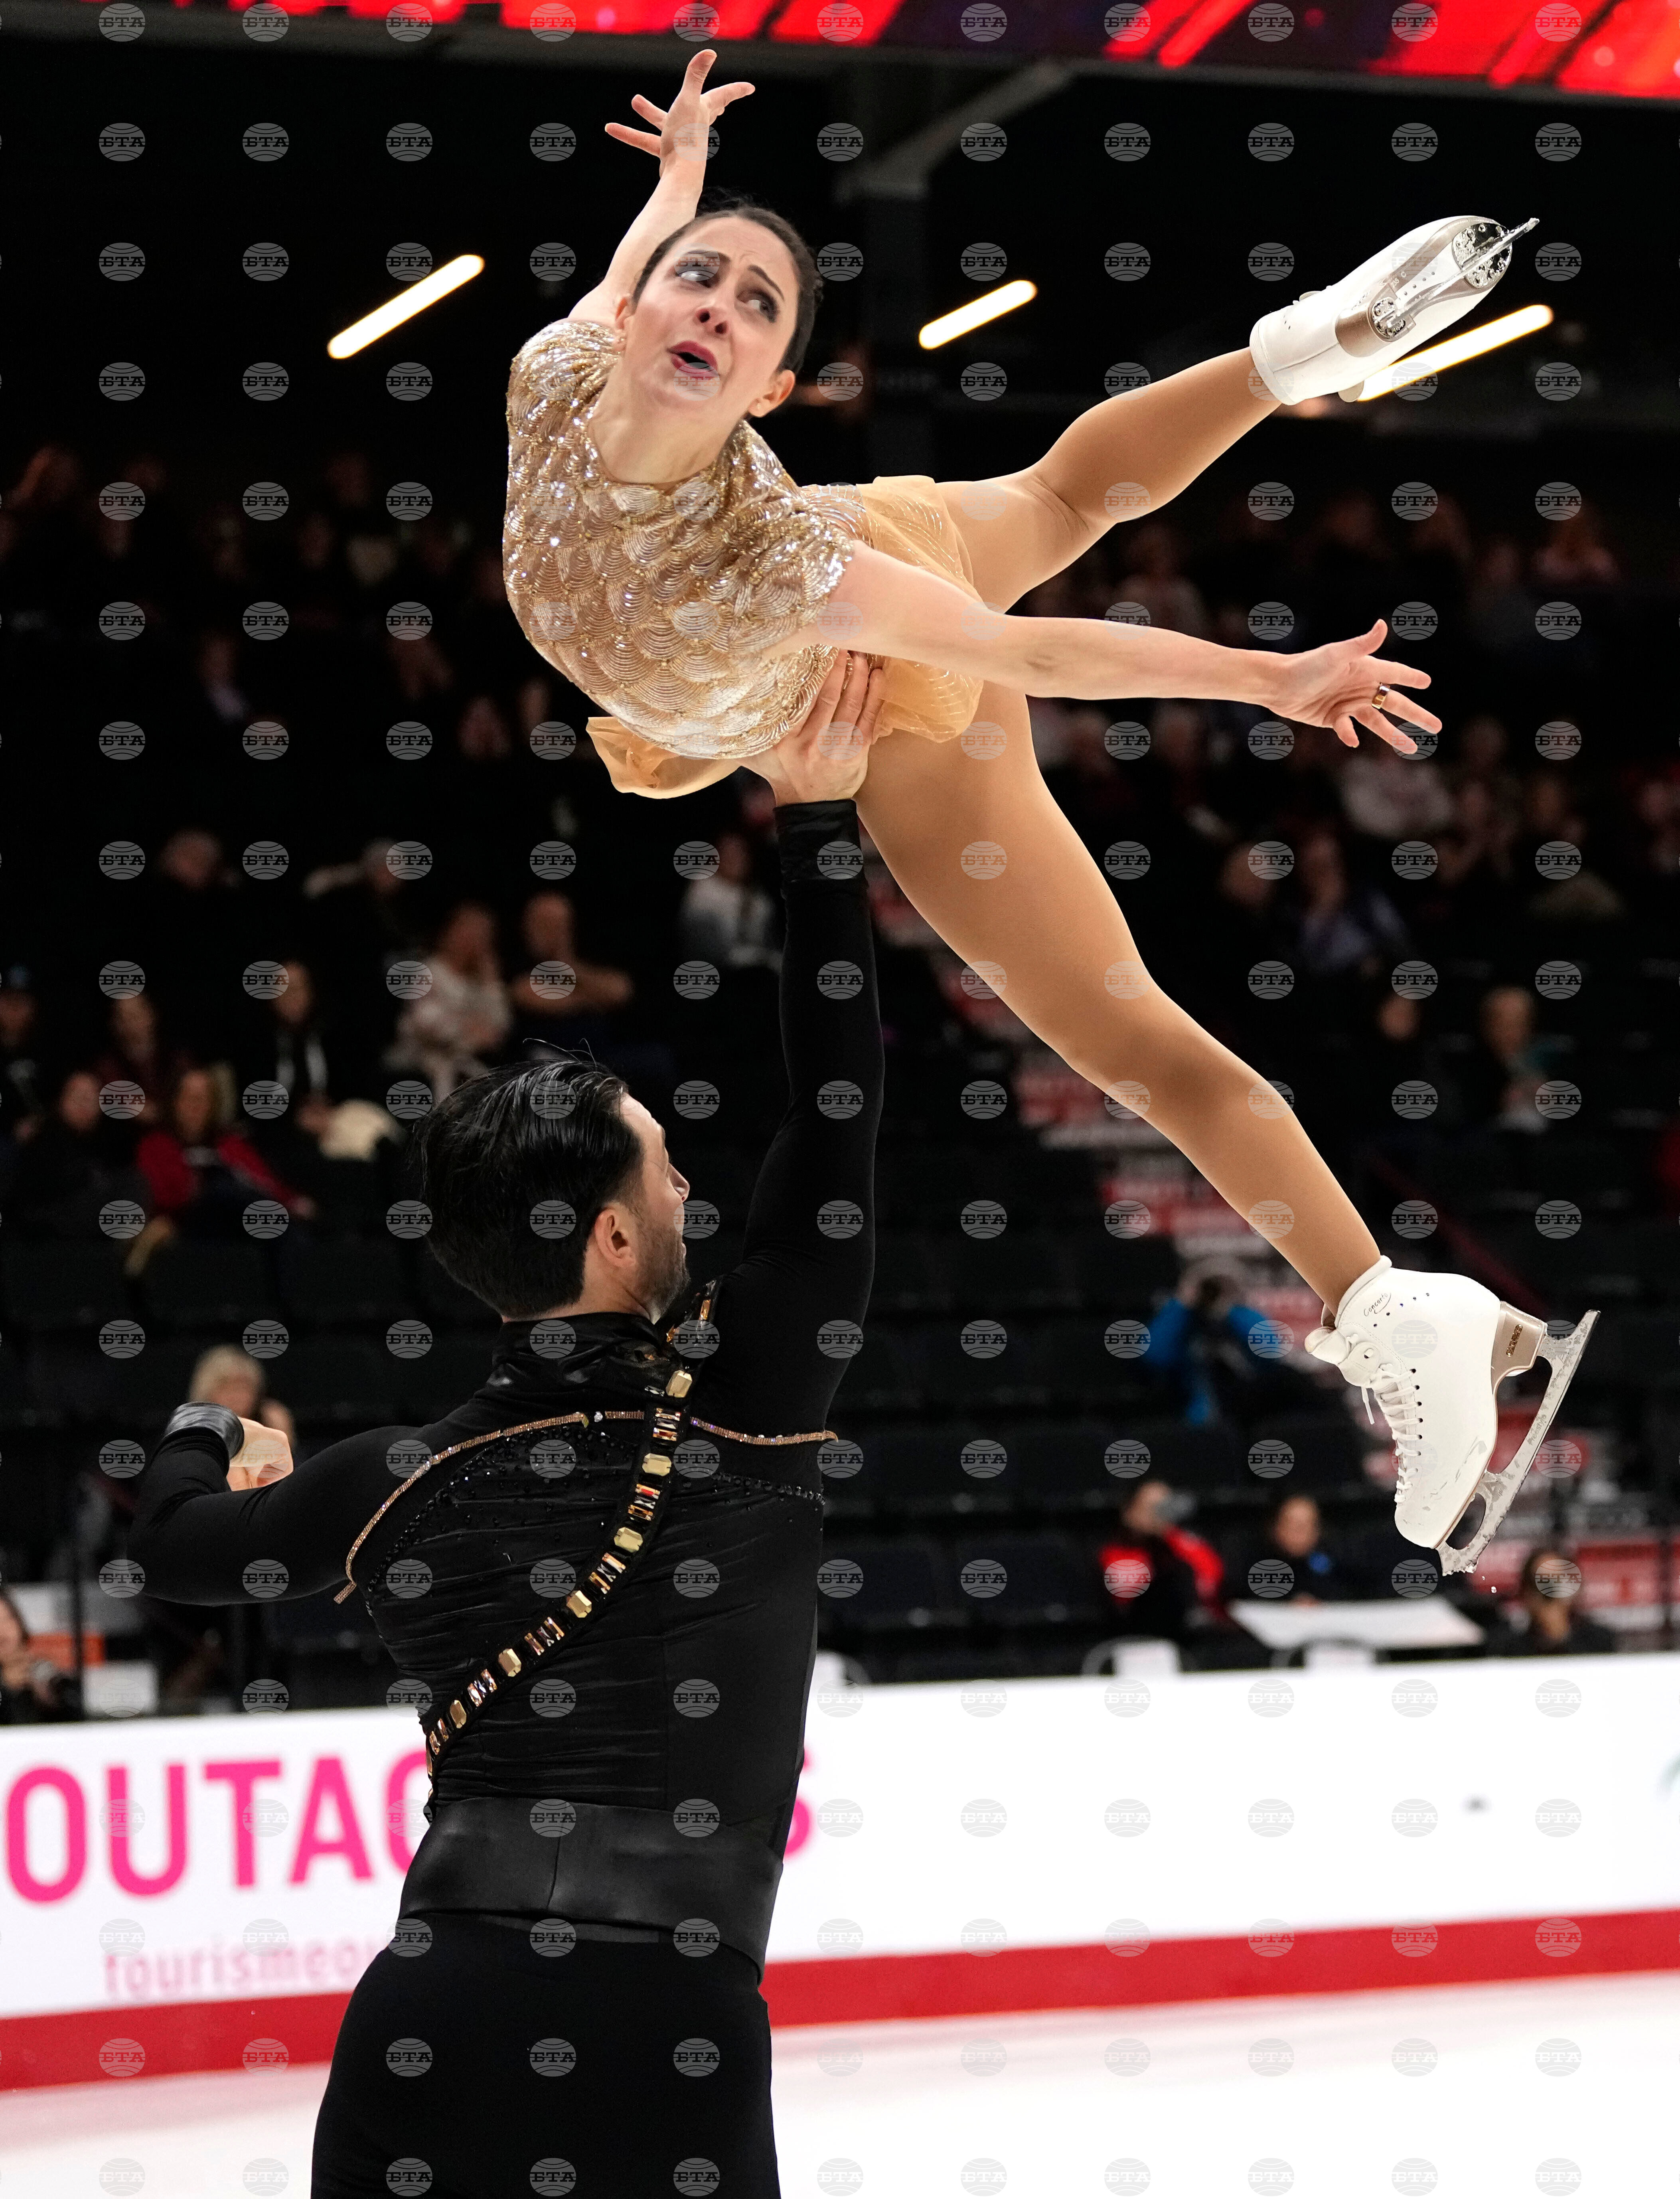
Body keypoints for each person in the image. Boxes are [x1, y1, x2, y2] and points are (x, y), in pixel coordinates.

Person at [501, 51, 1579, 1564]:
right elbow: (634, 248)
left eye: (758, 311)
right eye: (700, 283)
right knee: (1063, 499)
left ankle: (1389, 1315)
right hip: (829, 594)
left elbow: (1026, 653)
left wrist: (1261, 681)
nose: (715, 310)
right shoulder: (552, 369)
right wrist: (678, 175)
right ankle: (1297, 348)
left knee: (1121, 1033)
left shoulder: (771, 558)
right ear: (632, 313)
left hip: (871, 671)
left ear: (776, 390)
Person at [125, 660, 884, 2198]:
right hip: (664, 2034)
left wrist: (210, 1424)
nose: (686, 1192)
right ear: (609, 1239)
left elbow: (176, 1551)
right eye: (664, 1171)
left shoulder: (392, 1484)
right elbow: (839, 1114)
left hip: (426, 2028)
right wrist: (815, 829)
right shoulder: (748, 1405)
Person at [136, 1066, 312, 1240]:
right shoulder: (156, 1146)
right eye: (189, 1098)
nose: (195, 1107)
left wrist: (293, 1202)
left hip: (242, 1224)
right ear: (174, 1103)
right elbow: (163, 1199)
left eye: (203, 1100)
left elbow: (264, 1182)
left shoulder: (230, 1144)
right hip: (188, 1228)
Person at [387, 902, 512, 1100]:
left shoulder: (483, 982)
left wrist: (491, 982)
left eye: (482, 936)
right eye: (468, 932)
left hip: (464, 1062)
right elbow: (428, 1024)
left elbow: (500, 1027)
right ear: (450, 932)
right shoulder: (428, 972)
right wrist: (469, 1030)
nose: (473, 942)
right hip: (419, 1063)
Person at [1487, 1546, 1618, 1657]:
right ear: (1526, 1593)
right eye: (1540, 1584)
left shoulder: (1600, 1642)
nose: (1549, 1595)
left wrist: (1559, 1634)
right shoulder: (1508, 1649)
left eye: (1557, 1583)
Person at [188, 1342, 296, 1450]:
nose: (237, 1398)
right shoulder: (192, 1427)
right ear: (207, 1391)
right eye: (228, 1389)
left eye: (244, 1389)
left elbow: (289, 1463)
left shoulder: (271, 1422)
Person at [0, 1589, 79, 1725]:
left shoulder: (40, 1670)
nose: (2, 1630)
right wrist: (7, 1689)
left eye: (8, 1619)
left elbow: (76, 1721)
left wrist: (49, 1699)